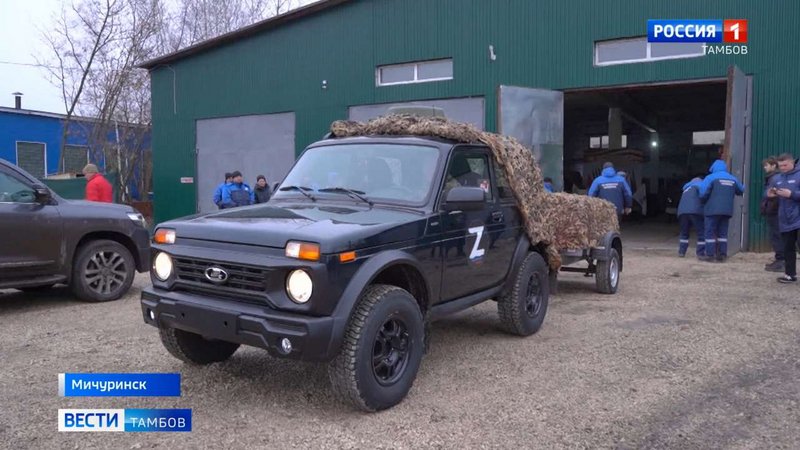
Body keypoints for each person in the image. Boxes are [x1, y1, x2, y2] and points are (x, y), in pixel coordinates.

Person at [698, 159, 745, 262]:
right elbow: (741, 190)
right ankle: (722, 255)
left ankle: (710, 255)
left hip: (712, 210)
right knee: (722, 233)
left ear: (713, 168)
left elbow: (702, 193)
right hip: (727, 211)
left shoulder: (710, 178)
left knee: (710, 232)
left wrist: (702, 202)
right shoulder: (733, 179)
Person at [767, 153, 800, 283]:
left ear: (792, 163)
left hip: (798, 217)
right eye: (781, 166)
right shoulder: (777, 178)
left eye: (785, 165)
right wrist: (769, 194)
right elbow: (768, 191)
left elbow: (793, 195)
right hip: (784, 219)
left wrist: (791, 194)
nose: (783, 168)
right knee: (788, 248)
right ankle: (790, 275)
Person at [761, 157, 784, 272]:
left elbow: (774, 195)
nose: (765, 167)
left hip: (775, 211)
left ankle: (781, 261)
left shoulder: (775, 178)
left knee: (777, 236)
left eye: (766, 165)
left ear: (774, 165)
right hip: (773, 210)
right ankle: (779, 259)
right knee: (775, 235)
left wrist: (771, 207)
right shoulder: (771, 178)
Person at [676, 177, 705, 258]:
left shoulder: (686, 188)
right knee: (701, 233)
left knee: (684, 233)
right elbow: (704, 197)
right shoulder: (701, 185)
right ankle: (700, 253)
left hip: (682, 212)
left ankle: (682, 252)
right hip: (695, 211)